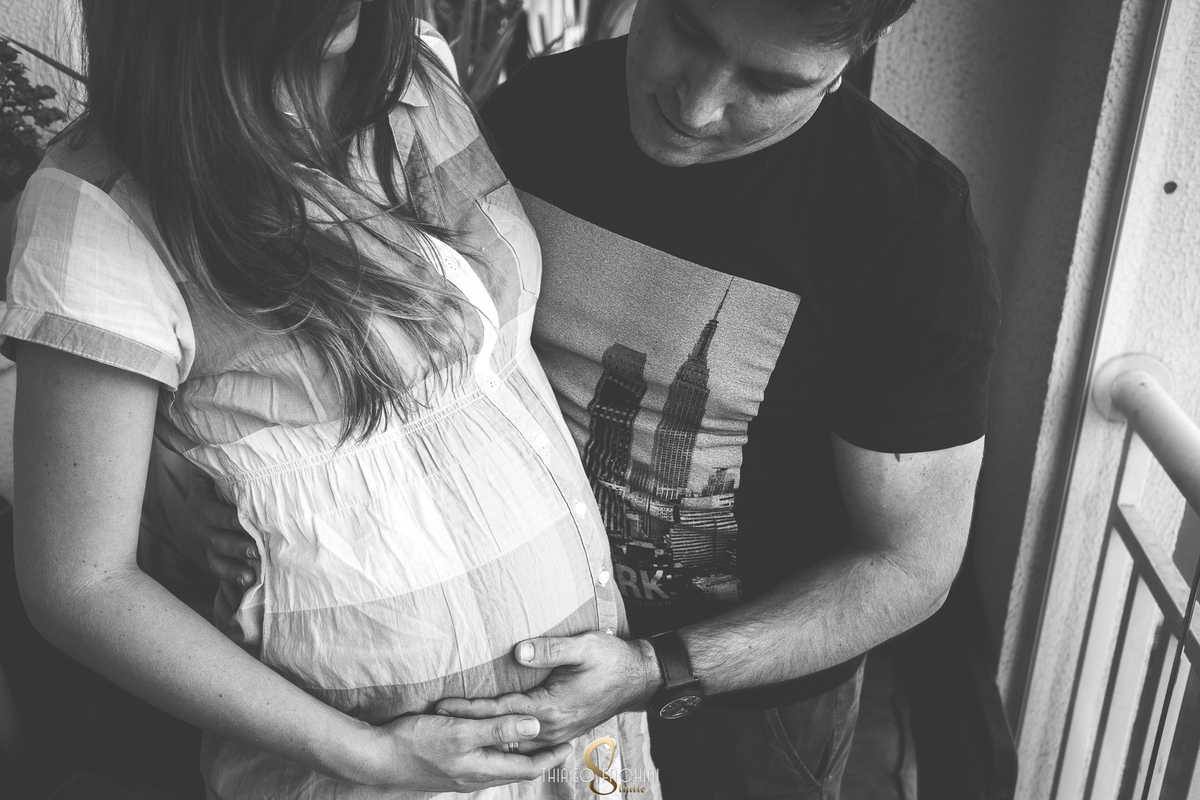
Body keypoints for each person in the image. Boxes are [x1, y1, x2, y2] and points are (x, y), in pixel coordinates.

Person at [195, 0, 1001, 797]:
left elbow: (910, 564)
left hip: (739, 718)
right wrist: (258, 518)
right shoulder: (537, 107)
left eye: (768, 82)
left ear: (858, 52)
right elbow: (412, 361)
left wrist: (657, 669)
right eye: (687, 29)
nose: (696, 105)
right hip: (497, 671)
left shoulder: (906, 225)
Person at [3, 1, 654, 797]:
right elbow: (80, 586)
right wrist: (372, 756)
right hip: (372, 773)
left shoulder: (416, 69)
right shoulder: (97, 206)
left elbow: (472, 366)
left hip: (584, 731)